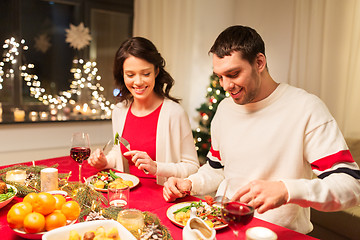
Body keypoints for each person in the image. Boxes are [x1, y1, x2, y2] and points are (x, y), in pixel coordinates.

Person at [162, 25, 360, 234]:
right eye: (220, 77)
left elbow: (351, 185)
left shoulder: (306, 108)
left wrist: (287, 190)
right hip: (227, 227)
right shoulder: (224, 109)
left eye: (233, 74)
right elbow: (216, 168)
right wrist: (190, 183)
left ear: (259, 62)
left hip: (279, 233)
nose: (226, 86)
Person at [88, 37, 199, 185]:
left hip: (163, 198)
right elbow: (119, 150)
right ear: (122, 74)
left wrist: (157, 167)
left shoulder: (174, 113)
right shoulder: (119, 111)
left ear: (156, 72)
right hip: (126, 196)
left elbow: (192, 167)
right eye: (130, 75)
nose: (138, 82)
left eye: (146, 74)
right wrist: (104, 162)